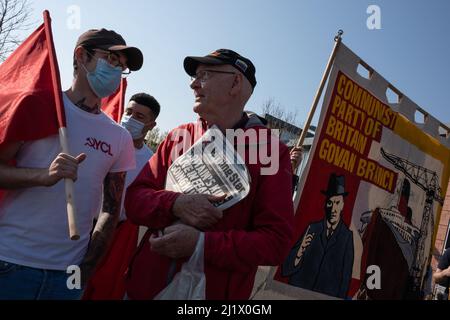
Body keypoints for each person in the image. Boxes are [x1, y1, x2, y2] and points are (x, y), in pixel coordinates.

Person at [124, 48, 295, 300]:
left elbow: (276, 243)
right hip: (144, 288)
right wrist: (175, 204)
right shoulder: (176, 137)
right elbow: (134, 201)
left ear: (235, 83)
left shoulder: (271, 152)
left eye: (204, 75)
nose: (193, 84)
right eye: (194, 76)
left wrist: (201, 246)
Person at [0, 28, 143, 299]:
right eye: (112, 60)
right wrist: (43, 175)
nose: (117, 71)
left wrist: (86, 270)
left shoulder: (119, 137)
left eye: (123, 67)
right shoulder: (36, 106)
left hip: (67, 277)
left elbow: (110, 211)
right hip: (8, 262)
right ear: (82, 56)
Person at [83, 93, 160, 300]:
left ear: (152, 125)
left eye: (140, 117)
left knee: (104, 286)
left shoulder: (152, 162)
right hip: (81, 226)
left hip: (117, 234)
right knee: (70, 281)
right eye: (129, 112)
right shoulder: (99, 141)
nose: (130, 119)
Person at [282, 173, 354, 299]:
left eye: (337, 203)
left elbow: (345, 280)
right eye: (330, 203)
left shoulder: (346, 237)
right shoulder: (313, 228)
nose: (333, 209)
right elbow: (285, 269)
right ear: (325, 204)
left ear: (343, 205)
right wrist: (300, 251)